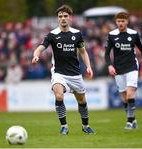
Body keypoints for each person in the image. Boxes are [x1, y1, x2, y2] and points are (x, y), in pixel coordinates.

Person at [32, 4, 95, 135]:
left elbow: (83, 52)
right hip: (59, 73)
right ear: (57, 19)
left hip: (75, 74)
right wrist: (36, 55)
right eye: (60, 16)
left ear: (70, 18)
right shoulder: (52, 35)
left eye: (65, 16)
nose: (63, 18)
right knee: (59, 95)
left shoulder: (77, 34)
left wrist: (88, 66)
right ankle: (64, 126)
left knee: (82, 101)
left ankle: (85, 126)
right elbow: (40, 47)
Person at [105, 12, 142, 130]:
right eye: (118, 21)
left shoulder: (134, 34)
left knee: (130, 93)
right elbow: (107, 53)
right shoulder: (111, 35)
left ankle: (129, 122)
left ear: (127, 21)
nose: (120, 23)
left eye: (123, 21)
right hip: (118, 69)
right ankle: (133, 119)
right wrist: (109, 66)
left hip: (132, 67)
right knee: (124, 97)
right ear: (116, 22)